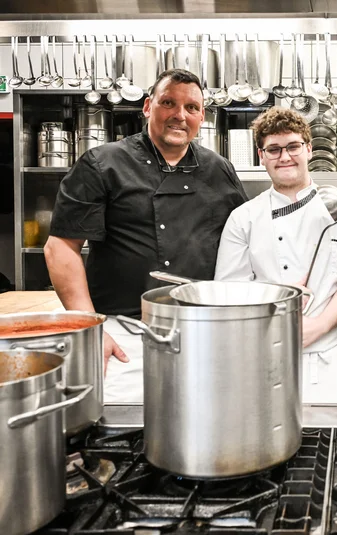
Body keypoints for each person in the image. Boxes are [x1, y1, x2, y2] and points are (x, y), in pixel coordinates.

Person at [44, 69, 247, 403]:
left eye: (191, 108)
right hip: (122, 332)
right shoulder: (103, 163)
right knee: (120, 431)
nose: (180, 116)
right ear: (148, 107)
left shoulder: (218, 169)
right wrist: (87, 327)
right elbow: (61, 249)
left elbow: (244, 238)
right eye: (169, 103)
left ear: (202, 116)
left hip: (204, 332)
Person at [215, 107, 337, 403]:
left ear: (308, 149)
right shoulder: (243, 218)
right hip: (267, 353)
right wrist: (274, 297)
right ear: (262, 156)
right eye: (274, 149)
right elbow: (230, 292)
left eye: (293, 146)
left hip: (332, 356)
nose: (284, 157)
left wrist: (318, 326)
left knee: (336, 440)